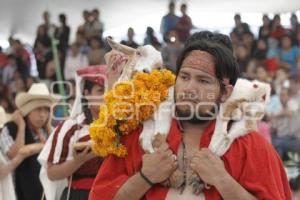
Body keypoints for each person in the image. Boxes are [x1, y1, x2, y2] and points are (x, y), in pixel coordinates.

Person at [89, 31, 291, 199]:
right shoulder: (140, 137)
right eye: (184, 77)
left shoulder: (250, 146)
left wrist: (223, 180)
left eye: (203, 81)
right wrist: (144, 177)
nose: (189, 89)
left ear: (225, 92)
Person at [39, 63, 121, 200]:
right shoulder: (71, 128)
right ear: (87, 94)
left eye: (110, 90)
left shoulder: (123, 127)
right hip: (80, 195)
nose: (107, 96)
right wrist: (79, 161)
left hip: (116, 194)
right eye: (101, 91)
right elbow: (51, 173)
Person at [0, 83, 55, 200]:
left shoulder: (48, 130)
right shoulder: (11, 128)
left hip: (46, 192)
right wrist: (21, 127)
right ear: (28, 110)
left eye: (46, 110)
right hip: (19, 192)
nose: (43, 115)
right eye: (38, 109)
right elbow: (14, 155)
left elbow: (58, 153)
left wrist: (49, 127)